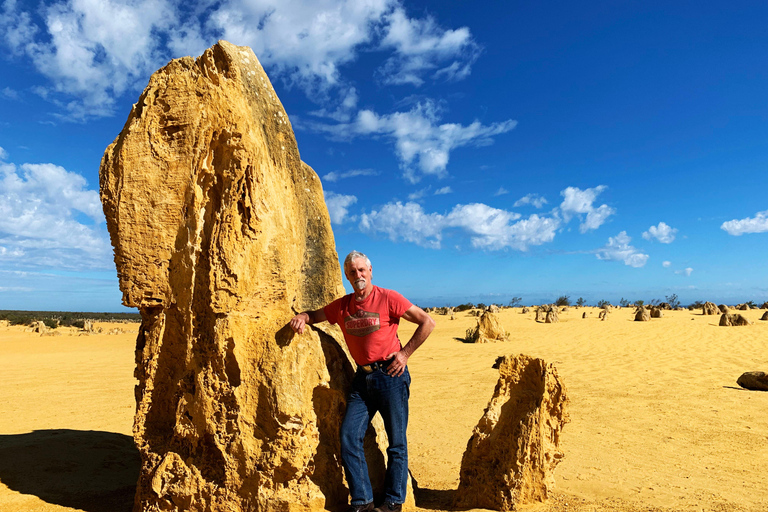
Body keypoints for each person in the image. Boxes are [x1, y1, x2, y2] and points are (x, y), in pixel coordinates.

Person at [290, 250, 435, 512]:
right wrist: (302, 316)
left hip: (391, 376)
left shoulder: (389, 298)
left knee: (397, 443)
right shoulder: (342, 305)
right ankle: (363, 502)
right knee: (348, 437)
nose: (358, 275)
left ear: (370, 271)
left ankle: (393, 502)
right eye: (352, 271)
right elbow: (315, 315)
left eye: (362, 270)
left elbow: (427, 322)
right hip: (362, 380)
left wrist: (404, 354)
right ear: (346, 275)